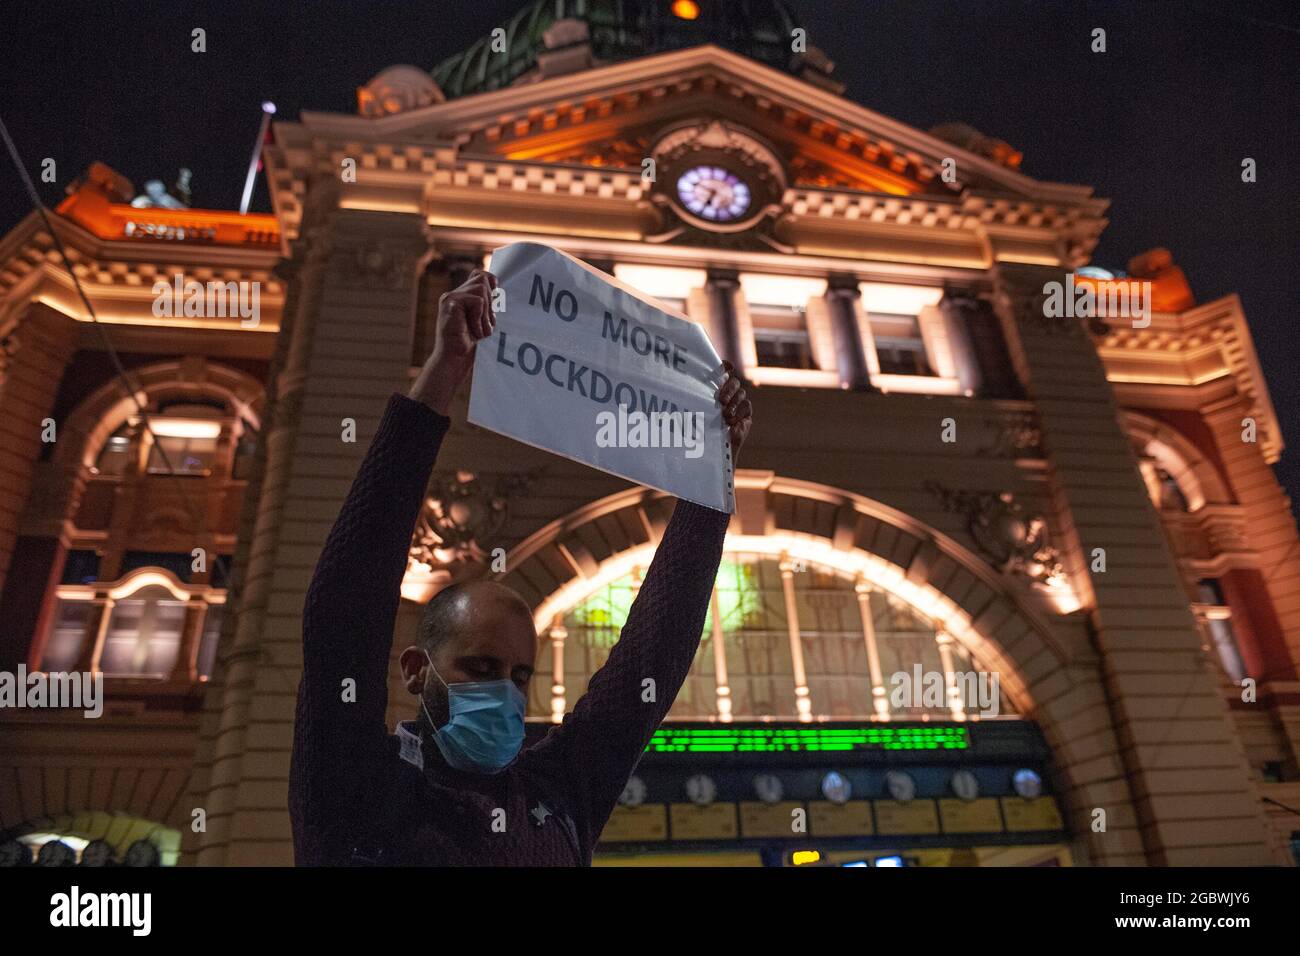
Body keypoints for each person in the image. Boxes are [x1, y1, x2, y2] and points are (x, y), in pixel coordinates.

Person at [289, 267, 753, 865]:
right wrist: (443, 374)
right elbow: (344, 616)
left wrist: (710, 476)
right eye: (480, 666)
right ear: (414, 669)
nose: (502, 695)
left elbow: (651, 660)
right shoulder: (355, 788)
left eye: (518, 677)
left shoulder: (558, 794)